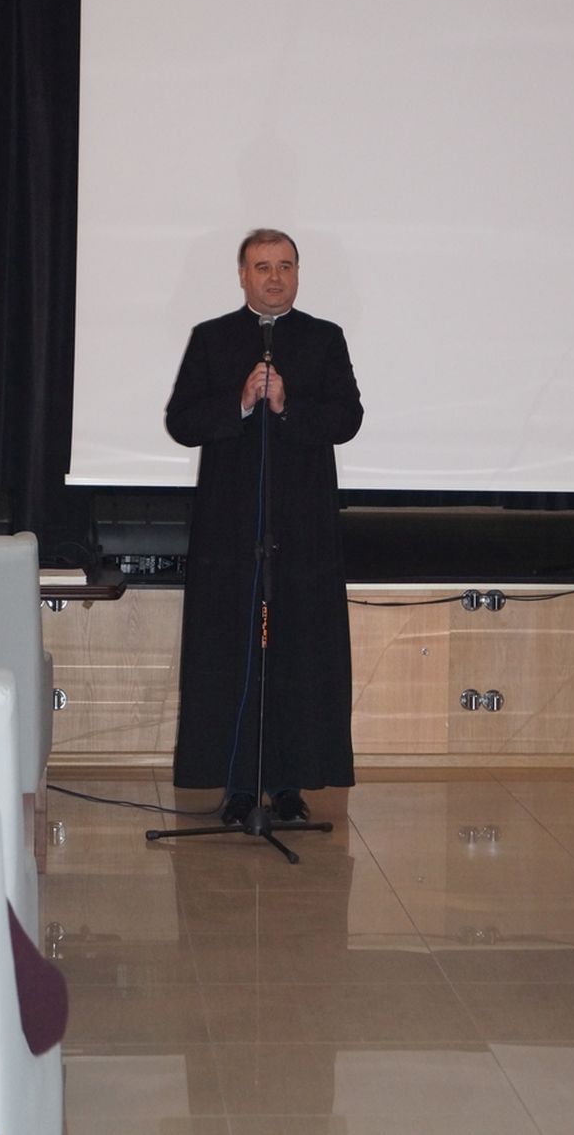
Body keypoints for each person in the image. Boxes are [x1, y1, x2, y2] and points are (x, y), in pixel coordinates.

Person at [165, 228, 363, 824]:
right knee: (231, 653)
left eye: (285, 266)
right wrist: (242, 401)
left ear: (298, 274)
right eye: (262, 267)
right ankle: (237, 787)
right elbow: (182, 422)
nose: (274, 277)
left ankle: (290, 784)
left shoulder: (325, 338)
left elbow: (348, 418)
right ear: (242, 275)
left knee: (297, 654)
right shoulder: (213, 337)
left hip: (303, 529)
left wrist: (287, 405)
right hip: (230, 529)